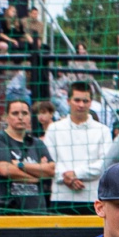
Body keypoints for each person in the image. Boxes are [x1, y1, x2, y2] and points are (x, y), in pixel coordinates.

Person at [45, 81, 112, 209]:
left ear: (91, 102)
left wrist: (75, 173)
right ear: (68, 101)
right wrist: (65, 177)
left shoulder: (103, 130)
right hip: (61, 197)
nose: (81, 105)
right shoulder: (54, 129)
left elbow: (105, 163)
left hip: (92, 198)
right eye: (77, 100)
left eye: (85, 101)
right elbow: (49, 162)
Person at [0, 98, 55, 211]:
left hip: (36, 211)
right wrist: (36, 177)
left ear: (30, 116)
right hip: (6, 210)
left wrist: (20, 165)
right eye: (15, 113)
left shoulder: (37, 143)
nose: (20, 117)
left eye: (25, 113)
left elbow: (51, 170)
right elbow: (5, 170)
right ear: (6, 117)